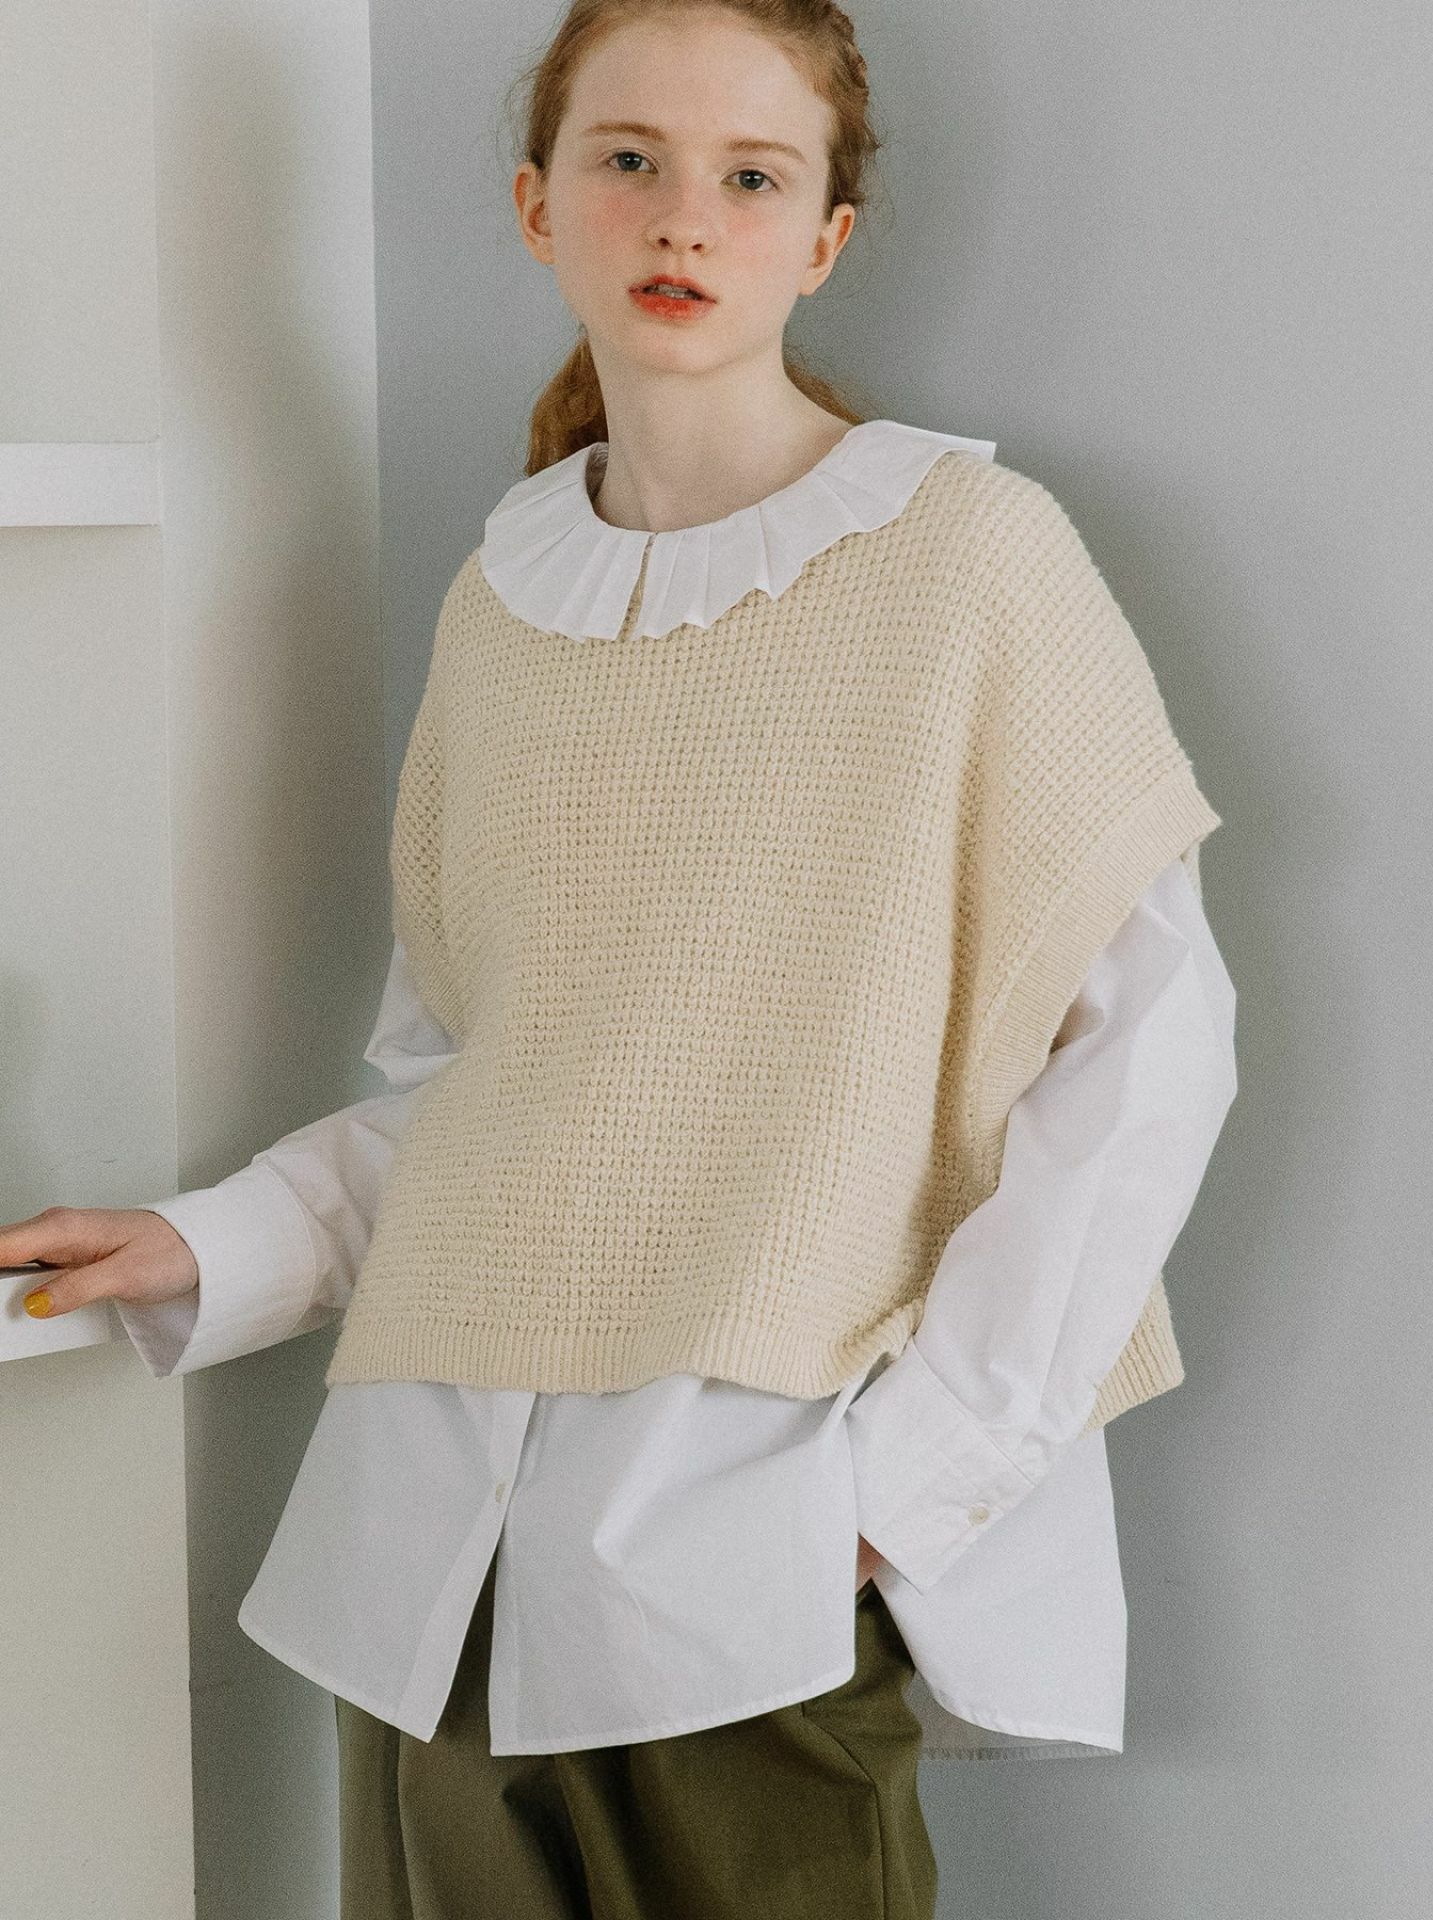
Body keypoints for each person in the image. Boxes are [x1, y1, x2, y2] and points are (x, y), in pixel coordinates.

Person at [0, 3, 1238, 1914]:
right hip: (428, 1586)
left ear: (823, 238)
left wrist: (901, 1498)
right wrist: (211, 1242)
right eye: (630, 159)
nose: (684, 217)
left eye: (752, 176)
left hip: (744, 1583)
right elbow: (489, 1094)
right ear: (537, 204)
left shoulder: (969, 558)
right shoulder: (505, 597)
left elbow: (1153, 1052)